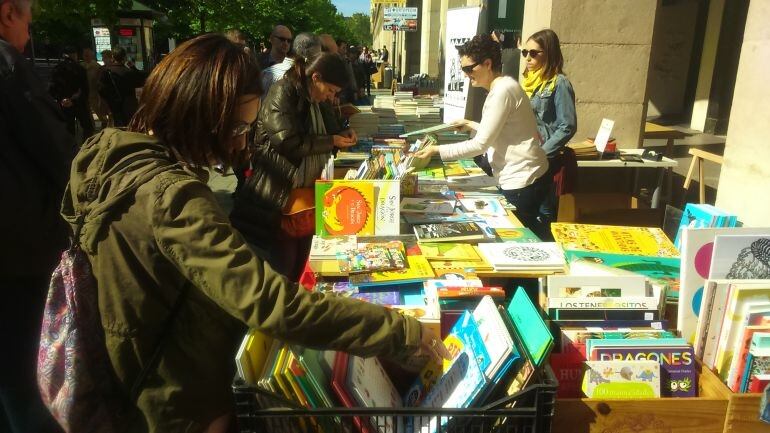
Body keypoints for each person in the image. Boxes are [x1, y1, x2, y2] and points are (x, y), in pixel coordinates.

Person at [61, 34, 447, 433]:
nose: (243, 142)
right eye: (238, 126)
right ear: (201, 114)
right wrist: (400, 332)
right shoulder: (172, 199)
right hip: (176, 398)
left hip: (134, 373)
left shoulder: (109, 155)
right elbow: (269, 301)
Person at [1, 0, 74, 432]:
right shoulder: (8, 64)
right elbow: (59, 152)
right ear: (10, 12)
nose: (29, 35)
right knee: (30, 374)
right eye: (28, 21)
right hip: (18, 256)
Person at [232, 52, 357, 279]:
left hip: (308, 196)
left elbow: (331, 130)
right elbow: (287, 142)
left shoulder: (319, 100)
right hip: (280, 193)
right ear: (316, 77)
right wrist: (332, 141)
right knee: (284, 266)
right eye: (330, 90)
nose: (331, 97)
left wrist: (342, 134)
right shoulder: (283, 91)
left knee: (303, 264)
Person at [414, 34, 550, 238]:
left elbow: (480, 145)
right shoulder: (504, 86)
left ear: (487, 63)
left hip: (522, 180)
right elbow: (503, 130)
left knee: (521, 240)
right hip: (522, 176)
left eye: (470, 69)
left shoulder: (502, 91)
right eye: (463, 69)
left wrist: (436, 150)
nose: (467, 74)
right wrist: (471, 124)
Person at [521, 29, 577, 231]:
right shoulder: (527, 83)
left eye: (534, 53)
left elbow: (567, 126)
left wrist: (542, 154)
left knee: (544, 215)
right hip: (525, 161)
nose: (528, 57)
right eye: (525, 52)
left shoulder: (559, 83)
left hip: (546, 162)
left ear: (549, 53)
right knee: (527, 214)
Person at [50, 45, 94, 140]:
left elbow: (52, 88)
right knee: (87, 127)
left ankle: (71, 149)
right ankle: (86, 147)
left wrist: (61, 99)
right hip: (78, 102)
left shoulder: (57, 69)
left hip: (64, 103)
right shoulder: (80, 69)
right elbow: (85, 89)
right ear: (74, 55)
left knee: (69, 128)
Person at [101, 46, 146, 127]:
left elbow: (101, 90)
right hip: (129, 105)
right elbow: (141, 80)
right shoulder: (129, 72)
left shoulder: (106, 72)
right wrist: (133, 67)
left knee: (117, 127)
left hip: (113, 106)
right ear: (124, 58)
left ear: (113, 57)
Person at [81, 47, 110, 128]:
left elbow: (99, 80)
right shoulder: (81, 66)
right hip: (84, 93)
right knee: (87, 112)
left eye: (88, 55)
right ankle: (91, 127)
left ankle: (104, 124)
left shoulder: (97, 67)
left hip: (94, 93)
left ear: (91, 56)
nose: (86, 57)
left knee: (99, 111)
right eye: (84, 55)